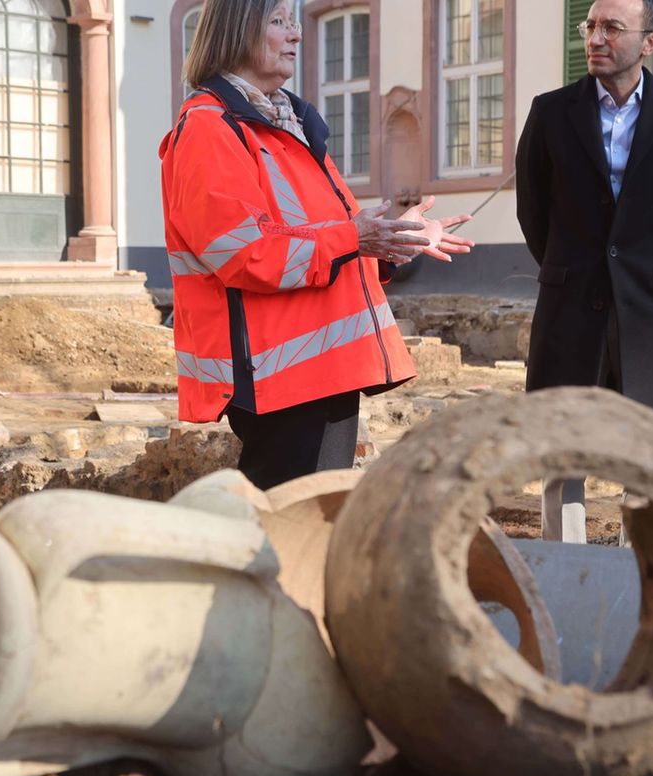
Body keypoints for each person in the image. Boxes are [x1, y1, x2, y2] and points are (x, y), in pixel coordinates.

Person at [160, 0, 473, 490]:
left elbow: (329, 239)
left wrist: (390, 240)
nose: (296, 35)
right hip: (275, 376)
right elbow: (244, 254)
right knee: (285, 527)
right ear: (238, 31)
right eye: (279, 22)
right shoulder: (209, 129)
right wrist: (356, 235)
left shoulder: (287, 125)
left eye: (294, 22)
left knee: (312, 521)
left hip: (321, 370)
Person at [514, 0, 653, 542]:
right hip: (569, 304)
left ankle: (642, 579)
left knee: (651, 453)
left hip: (650, 310)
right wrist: (571, 268)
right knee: (562, 453)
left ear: (650, 42)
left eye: (612, 27)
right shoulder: (551, 112)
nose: (596, 38)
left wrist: (645, 271)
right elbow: (533, 210)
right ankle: (566, 575)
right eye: (591, 26)